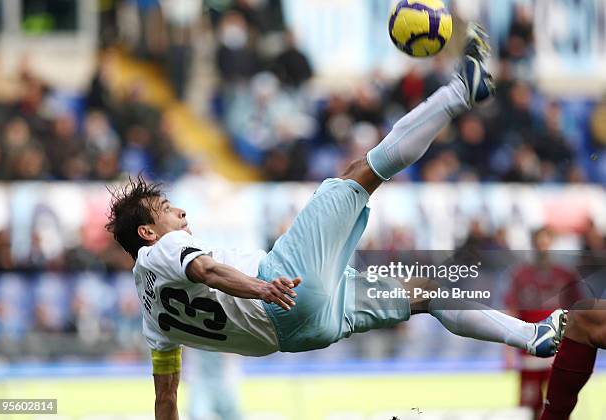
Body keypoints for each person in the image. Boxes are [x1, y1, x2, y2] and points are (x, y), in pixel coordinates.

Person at [106, 25, 566, 420]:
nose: (181, 213)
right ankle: (462, 90)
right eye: (167, 209)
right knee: (357, 174)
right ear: (147, 232)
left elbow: (165, 398)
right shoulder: (156, 252)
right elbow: (205, 271)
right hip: (280, 290)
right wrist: (260, 287)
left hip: (305, 334)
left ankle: (533, 336)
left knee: (424, 293)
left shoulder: (153, 321)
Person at [505, 227, 581, 420]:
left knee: (560, 406)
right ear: (533, 245)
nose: (543, 247)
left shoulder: (566, 275)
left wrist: (581, 350)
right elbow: (512, 311)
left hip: (560, 353)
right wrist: (507, 352)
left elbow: (578, 312)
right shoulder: (520, 275)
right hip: (529, 350)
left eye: (546, 242)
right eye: (539, 243)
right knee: (529, 407)